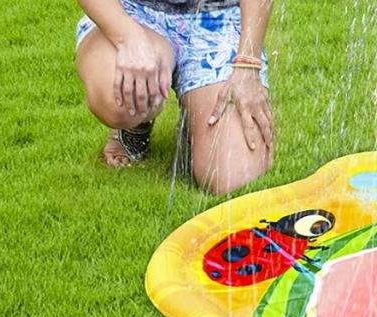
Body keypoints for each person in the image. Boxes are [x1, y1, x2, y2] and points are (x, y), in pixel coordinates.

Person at [75, 0, 275, 195]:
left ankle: (197, 117)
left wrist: (248, 65)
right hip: (134, 13)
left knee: (234, 178)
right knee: (117, 99)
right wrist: (129, 38)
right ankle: (135, 126)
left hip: (218, 18)